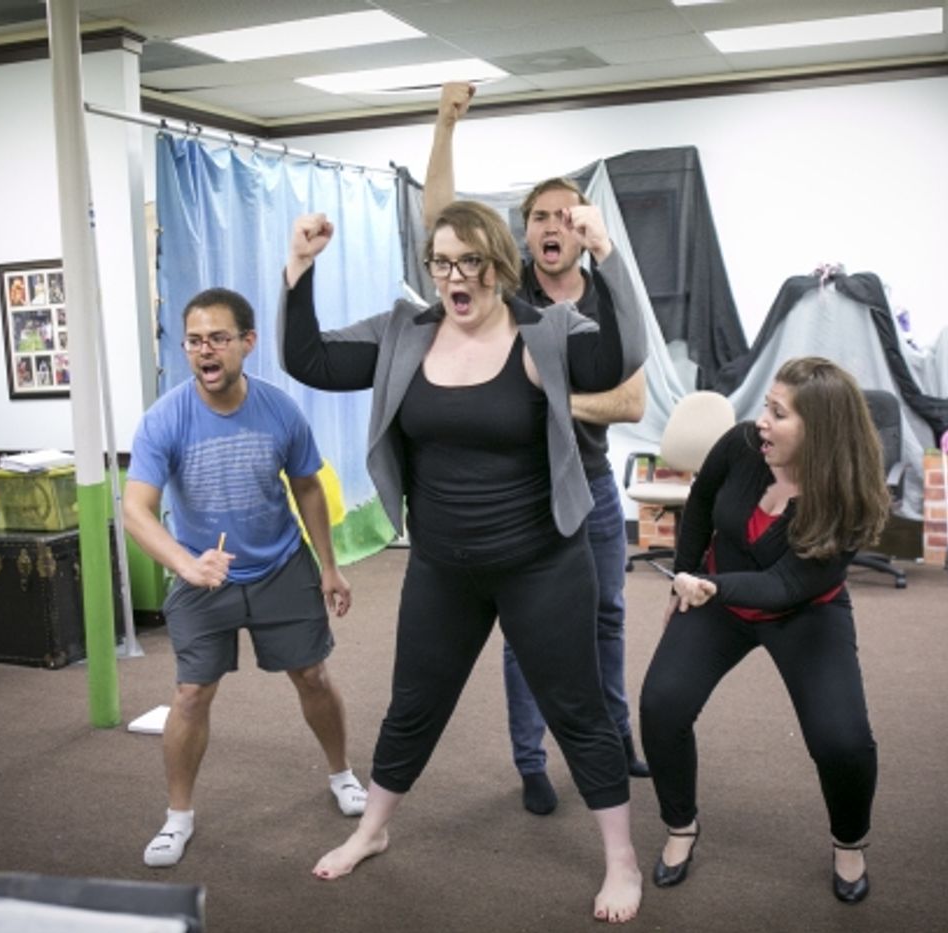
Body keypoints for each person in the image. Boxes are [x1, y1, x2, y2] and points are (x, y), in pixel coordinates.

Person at [279, 201, 648, 923]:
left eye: (471, 261)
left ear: (499, 265)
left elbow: (619, 357)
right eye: (442, 262)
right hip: (442, 567)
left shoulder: (545, 332)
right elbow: (310, 360)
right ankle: (372, 829)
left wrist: (605, 251)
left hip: (542, 563)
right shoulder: (404, 333)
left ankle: (621, 858)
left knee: (577, 708)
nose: (455, 277)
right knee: (414, 703)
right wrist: (299, 266)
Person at [424, 81, 650, 817]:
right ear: (524, 233)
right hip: (526, 497)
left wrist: (542, 397)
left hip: (592, 488)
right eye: (540, 216)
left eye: (565, 215)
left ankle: (616, 735)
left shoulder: (605, 303)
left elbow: (632, 401)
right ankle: (531, 762)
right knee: (526, 636)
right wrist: (445, 125)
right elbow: (441, 218)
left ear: (584, 229)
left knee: (607, 616)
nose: (553, 225)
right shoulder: (507, 294)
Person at [124, 287, 366, 870]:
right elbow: (135, 510)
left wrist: (329, 566)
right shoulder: (165, 419)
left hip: (281, 564)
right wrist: (186, 565)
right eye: (194, 341)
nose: (205, 351)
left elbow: (307, 486)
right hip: (202, 573)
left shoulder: (280, 410)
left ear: (247, 343)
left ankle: (342, 773)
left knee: (312, 675)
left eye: (218, 338)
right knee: (190, 693)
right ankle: (178, 817)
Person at [638, 357, 889, 904]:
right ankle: (680, 826)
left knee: (843, 742)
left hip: (805, 612)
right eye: (766, 407)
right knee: (662, 705)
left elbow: (783, 585)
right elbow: (702, 501)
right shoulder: (742, 446)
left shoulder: (847, 497)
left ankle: (849, 842)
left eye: (779, 413)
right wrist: (683, 577)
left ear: (819, 430)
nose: (762, 422)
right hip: (719, 597)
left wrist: (708, 586)